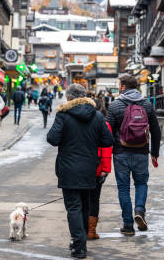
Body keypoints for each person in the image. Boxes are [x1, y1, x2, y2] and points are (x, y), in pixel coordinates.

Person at [47, 84, 113, 259]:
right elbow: (108, 141)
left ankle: (79, 246)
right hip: (90, 169)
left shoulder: (63, 115)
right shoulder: (97, 116)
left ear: (69, 98)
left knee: (74, 208)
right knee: (85, 206)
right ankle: (80, 241)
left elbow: (52, 139)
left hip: (68, 169)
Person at [106, 74, 161, 236]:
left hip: (121, 153)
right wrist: (155, 153)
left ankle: (128, 225)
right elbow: (156, 131)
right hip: (142, 152)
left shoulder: (115, 106)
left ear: (123, 87)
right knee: (141, 184)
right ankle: (139, 211)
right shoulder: (146, 105)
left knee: (123, 188)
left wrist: (106, 154)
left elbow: (107, 132)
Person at [87, 121, 113, 240]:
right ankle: (91, 231)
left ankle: (81, 230)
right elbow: (107, 147)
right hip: (97, 168)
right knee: (94, 199)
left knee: (80, 200)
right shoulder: (103, 123)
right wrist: (105, 168)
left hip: (78, 168)